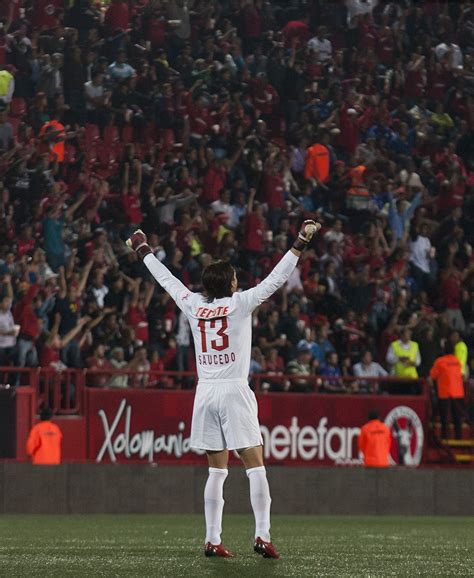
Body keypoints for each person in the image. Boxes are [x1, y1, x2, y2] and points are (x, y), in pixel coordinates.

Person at [126, 220, 320, 559]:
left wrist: (143, 249)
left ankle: (212, 539)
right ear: (230, 283)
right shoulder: (240, 303)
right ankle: (262, 535)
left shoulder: (193, 304)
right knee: (255, 466)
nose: (236, 281)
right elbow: (276, 278)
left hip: (205, 393)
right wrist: (300, 242)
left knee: (217, 470)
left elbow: (166, 279)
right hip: (233, 389)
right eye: (234, 278)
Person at [429, 343, 465, 440]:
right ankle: (459, 438)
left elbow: (432, 376)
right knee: (457, 417)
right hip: (458, 392)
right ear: (454, 351)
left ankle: (445, 437)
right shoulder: (457, 361)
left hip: (444, 393)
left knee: (444, 417)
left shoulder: (439, 361)